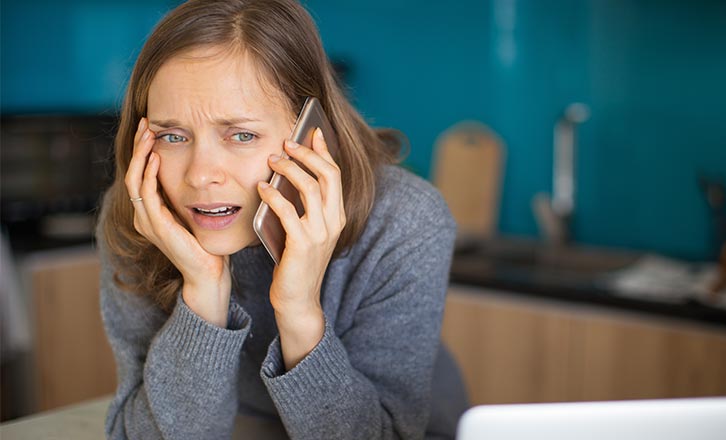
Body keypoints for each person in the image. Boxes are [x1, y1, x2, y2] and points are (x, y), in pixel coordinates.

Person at [97, 0, 469, 438]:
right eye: (172, 136)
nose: (200, 176)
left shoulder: (404, 221)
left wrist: (298, 311)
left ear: (311, 133)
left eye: (241, 135)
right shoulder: (140, 216)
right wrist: (203, 292)